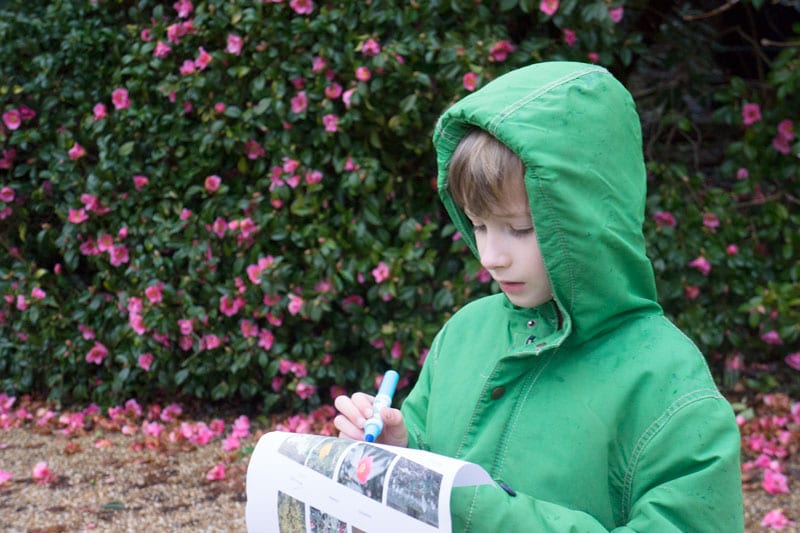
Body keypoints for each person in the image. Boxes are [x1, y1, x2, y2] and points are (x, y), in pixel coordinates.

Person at [334, 61, 744, 531]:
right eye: (479, 225)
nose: (490, 256)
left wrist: (480, 513)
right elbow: (435, 448)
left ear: (590, 219)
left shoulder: (667, 382)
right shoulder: (465, 333)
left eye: (521, 229)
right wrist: (403, 447)